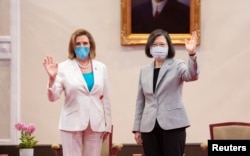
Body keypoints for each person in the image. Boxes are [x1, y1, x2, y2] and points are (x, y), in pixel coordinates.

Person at [42, 28, 112, 156]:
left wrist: (107, 125)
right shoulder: (63, 67)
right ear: (72, 47)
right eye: (78, 44)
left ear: (91, 45)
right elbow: (53, 97)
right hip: (71, 123)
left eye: (85, 43)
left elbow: (105, 98)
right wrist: (52, 79)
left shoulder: (101, 68)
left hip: (96, 123)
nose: (82, 46)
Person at [132, 29, 199, 156]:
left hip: (173, 125)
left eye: (162, 44)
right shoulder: (144, 70)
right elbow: (140, 101)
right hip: (149, 127)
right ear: (149, 48)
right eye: (154, 45)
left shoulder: (177, 64)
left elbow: (192, 75)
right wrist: (137, 129)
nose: (158, 48)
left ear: (169, 47)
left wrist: (192, 54)